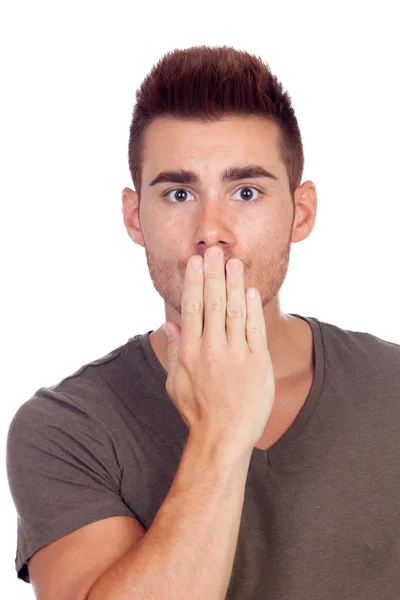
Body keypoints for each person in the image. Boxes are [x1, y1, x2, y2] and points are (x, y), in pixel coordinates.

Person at [6, 45, 400, 599]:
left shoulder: (393, 387)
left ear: (301, 212)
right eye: (179, 192)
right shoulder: (66, 428)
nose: (210, 229)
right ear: (134, 216)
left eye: (246, 192)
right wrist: (222, 430)